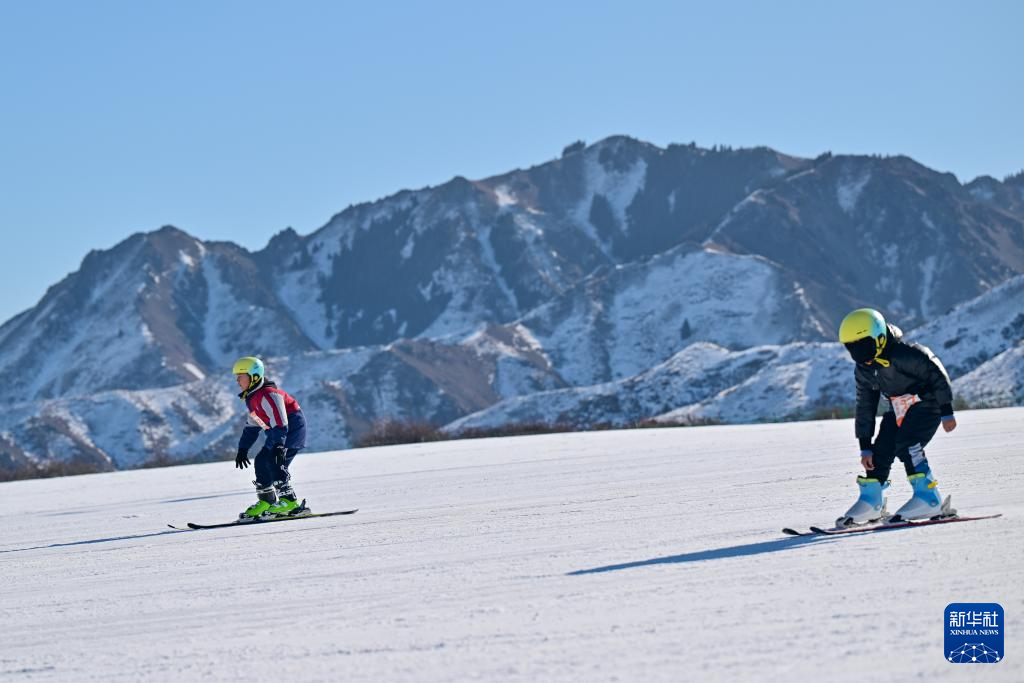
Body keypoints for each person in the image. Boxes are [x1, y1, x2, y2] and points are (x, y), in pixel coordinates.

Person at [836, 308, 958, 526]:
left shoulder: (907, 353)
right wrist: (865, 444)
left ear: (879, 338)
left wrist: (946, 410)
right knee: (879, 451)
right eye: (853, 350)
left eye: (863, 347)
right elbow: (865, 404)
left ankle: (929, 499)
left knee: (909, 444)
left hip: (927, 404)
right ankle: (871, 501)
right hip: (898, 408)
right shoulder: (864, 369)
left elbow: (936, 374)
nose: (861, 357)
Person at [232, 356, 308, 520]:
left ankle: (290, 502)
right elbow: (252, 426)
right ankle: (267, 501)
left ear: (254, 377)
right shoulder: (252, 399)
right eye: (236, 377)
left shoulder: (269, 394)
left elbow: (280, 422)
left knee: (274, 462)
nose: (238, 380)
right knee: (261, 461)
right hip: (277, 435)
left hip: (291, 432)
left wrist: (279, 446)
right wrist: (243, 449)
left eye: (241, 376)